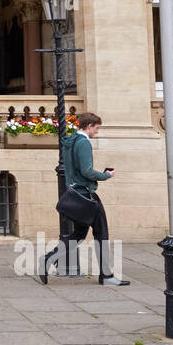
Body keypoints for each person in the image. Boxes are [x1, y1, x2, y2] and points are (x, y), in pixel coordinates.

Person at [41, 111, 128, 286]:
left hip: (75, 193)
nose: (97, 132)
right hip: (86, 194)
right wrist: (105, 175)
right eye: (96, 128)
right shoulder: (83, 143)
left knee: (79, 233)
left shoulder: (70, 141)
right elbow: (87, 170)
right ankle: (106, 275)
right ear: (89, 126)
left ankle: (48, 259)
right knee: (101, 232)